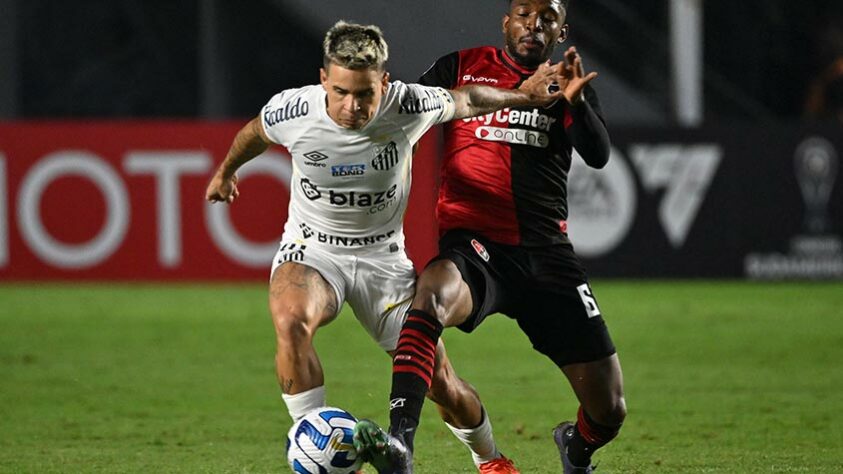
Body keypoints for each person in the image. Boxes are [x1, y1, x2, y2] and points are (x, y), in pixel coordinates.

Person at [204, 20, 566, 474]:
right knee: (291, 318)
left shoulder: (408, 104)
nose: (351, 106)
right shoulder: (294, 110)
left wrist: (525, 96)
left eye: (364, 94)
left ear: (386, 84)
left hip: (383, 262)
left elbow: (469, 98)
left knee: (442, 384)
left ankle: (490, 460)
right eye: (340, 92)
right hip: (314, 250)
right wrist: (226, 171)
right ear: (323, 80)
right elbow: (255, 132)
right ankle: (314, 434)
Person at [353, 1, 627, 473]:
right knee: (432, 295)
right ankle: (399, 446)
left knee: (609, 410)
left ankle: (577, 447)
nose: (533, 26)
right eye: (524, 14)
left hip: (547, 256)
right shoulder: (459, 67)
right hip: (476, 248)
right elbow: (403, 114)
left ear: (562, 31)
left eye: (547, 18)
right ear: (506, 22)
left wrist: (577, 103)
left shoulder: (564, 82)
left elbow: (598, 155)